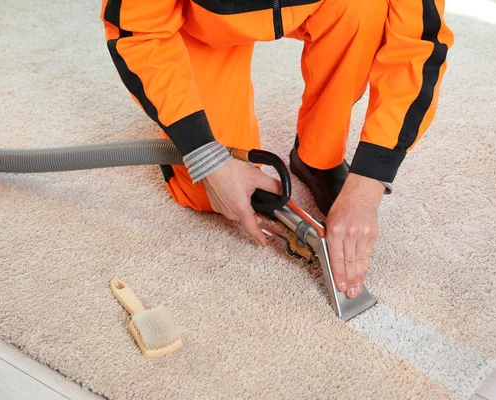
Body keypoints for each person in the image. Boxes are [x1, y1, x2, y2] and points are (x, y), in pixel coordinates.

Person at [101, 0, 453, 299]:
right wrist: (206, 158)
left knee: (367, 7)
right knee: (209, 194)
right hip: (205, 21)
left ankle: (318, 156)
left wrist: (367, 185)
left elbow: (417, 43)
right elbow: (137, 29)